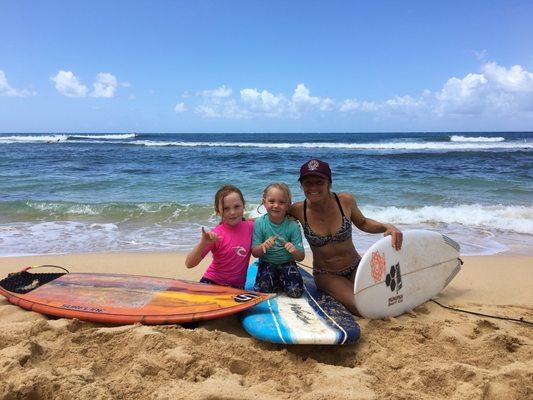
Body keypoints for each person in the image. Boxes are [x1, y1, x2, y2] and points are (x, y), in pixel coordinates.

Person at [290, 159, 403, 315]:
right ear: (301, 186)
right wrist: (244, 220)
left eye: (319, 182)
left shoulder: (345, 201)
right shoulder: (297, 210)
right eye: (308, 183)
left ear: (329, 183)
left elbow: (363, 223)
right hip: (327, 275)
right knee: (361, 306)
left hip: (357, 266)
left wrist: (387, 227)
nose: (313, 187)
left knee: (385, 296)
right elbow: (272, 218)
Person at [185, 185, 254, 289]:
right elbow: (189, 264)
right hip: (212, 282)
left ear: (243, 205)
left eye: (237, 206)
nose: (232, 212)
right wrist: (203, 243)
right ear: (218, 211)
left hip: (237, 288)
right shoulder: (215, 235)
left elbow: (271, 219)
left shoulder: (251, 226)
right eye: (226, 208)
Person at [251, 183, 305, 298]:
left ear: (288, 205)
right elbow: (255, 253)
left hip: (287, 263)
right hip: (267, 263)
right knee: (263, 291)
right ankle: (277, 281)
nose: (276, 205)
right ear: (264, 202)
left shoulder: (293, 225)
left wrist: (294, 250)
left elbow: (301, 257)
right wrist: (263, 247)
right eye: (271, 201)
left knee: (295, 292)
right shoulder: (260, 223)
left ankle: (280, 280)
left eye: (282, 202)